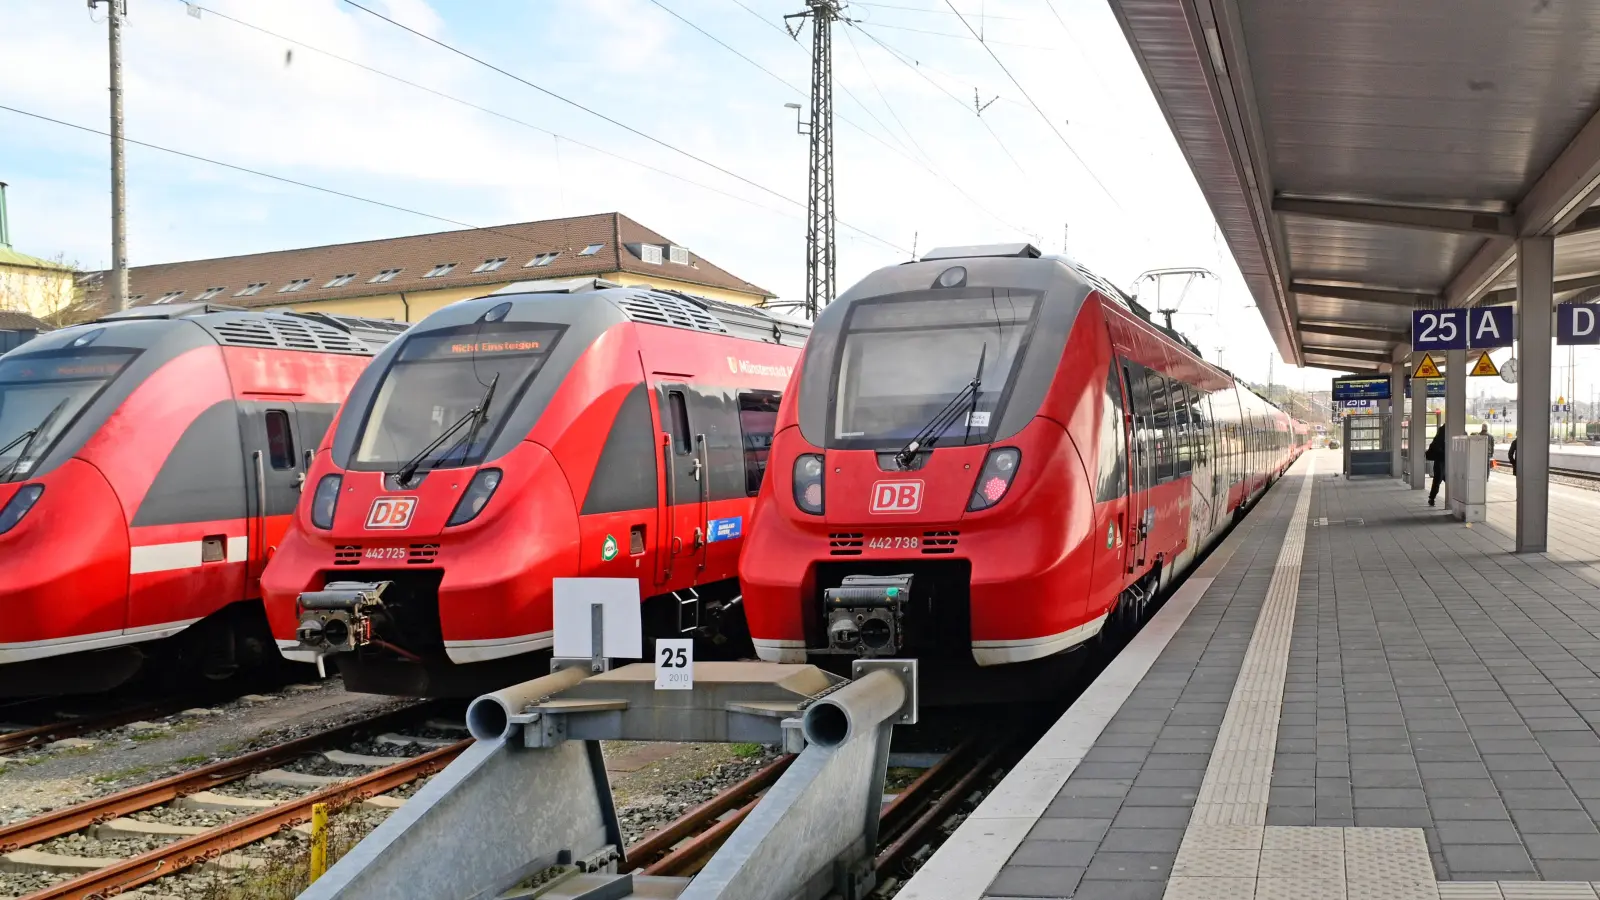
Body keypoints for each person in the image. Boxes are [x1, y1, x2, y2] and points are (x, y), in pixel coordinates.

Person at [1426, 423, 1448, 506]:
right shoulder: (1444, 431)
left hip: (1441, 460)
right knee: (1439, 479)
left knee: (1437, 480)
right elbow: (1438, 447)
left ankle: (1432, 498)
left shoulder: (1441, 431)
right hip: (1442, 460)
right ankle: (1432, 498)